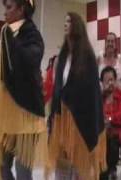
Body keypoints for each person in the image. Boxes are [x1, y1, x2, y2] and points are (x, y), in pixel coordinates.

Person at [0, 0, 47, 179]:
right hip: (7, 116)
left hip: (26, 114)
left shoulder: (33, 35)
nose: (5, 13)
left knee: (23, 170)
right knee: (1, 165)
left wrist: (11, 40)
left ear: (22, 9)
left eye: (9, 8)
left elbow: (29, 61)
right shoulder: (7, 33)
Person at [48, 12, 106, 180]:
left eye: (69, 21)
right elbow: (57, 90)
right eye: (64, 21)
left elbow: (91, 94)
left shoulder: (87, 57)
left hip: (81, 123)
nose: (65, 24)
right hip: (62, 123)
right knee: (62, 169)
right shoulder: (62, 57)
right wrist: (53, 116)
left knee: (80, 170)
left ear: (77, 26)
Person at [99, 67, 121, 180]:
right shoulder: (99, 96)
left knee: (111, 141)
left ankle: (109, 169)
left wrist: (110, 119)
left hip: (116, 130)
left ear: (115, 80)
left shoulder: (120, 95)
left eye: (112, 80)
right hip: (100, 130)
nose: (110, 83)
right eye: (107, 80)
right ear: (102, 82)